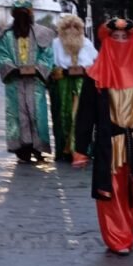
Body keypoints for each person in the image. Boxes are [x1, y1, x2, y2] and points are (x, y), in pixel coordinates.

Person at [74, 18, 133, 255]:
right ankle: (118, 238)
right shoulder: (96, 73)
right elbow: (85, 114)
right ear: (107, 40)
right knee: (111, 191)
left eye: (124, 37)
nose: (120, 42)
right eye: (115, 37)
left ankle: (126, 228)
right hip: (110, 143)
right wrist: (81, 148)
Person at [0, 0, 54, 162]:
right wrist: (12, 68)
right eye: (19, 15)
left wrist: (38, 68)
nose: (22, 18)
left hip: (34, 82)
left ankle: (38, 147)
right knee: (17, 115)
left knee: (37, 114)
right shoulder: (6, 36)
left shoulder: (40, 34)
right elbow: (1, 53)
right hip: (15, 82)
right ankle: (22, 149)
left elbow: (47, 54)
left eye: (24, 15)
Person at [50, 13, 98, 161]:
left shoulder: (87, 43)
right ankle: (65, 149)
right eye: (68, 27)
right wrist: (62, 72)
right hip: (63, 84)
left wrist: (85, 70)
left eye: (75, 26)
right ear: (62, 29)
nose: (71, 30)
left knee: (81, 115)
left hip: (82, 83)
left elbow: (95, 62)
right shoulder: (56, 44)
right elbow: (51, 66)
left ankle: (81, 148)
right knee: (63, 115)